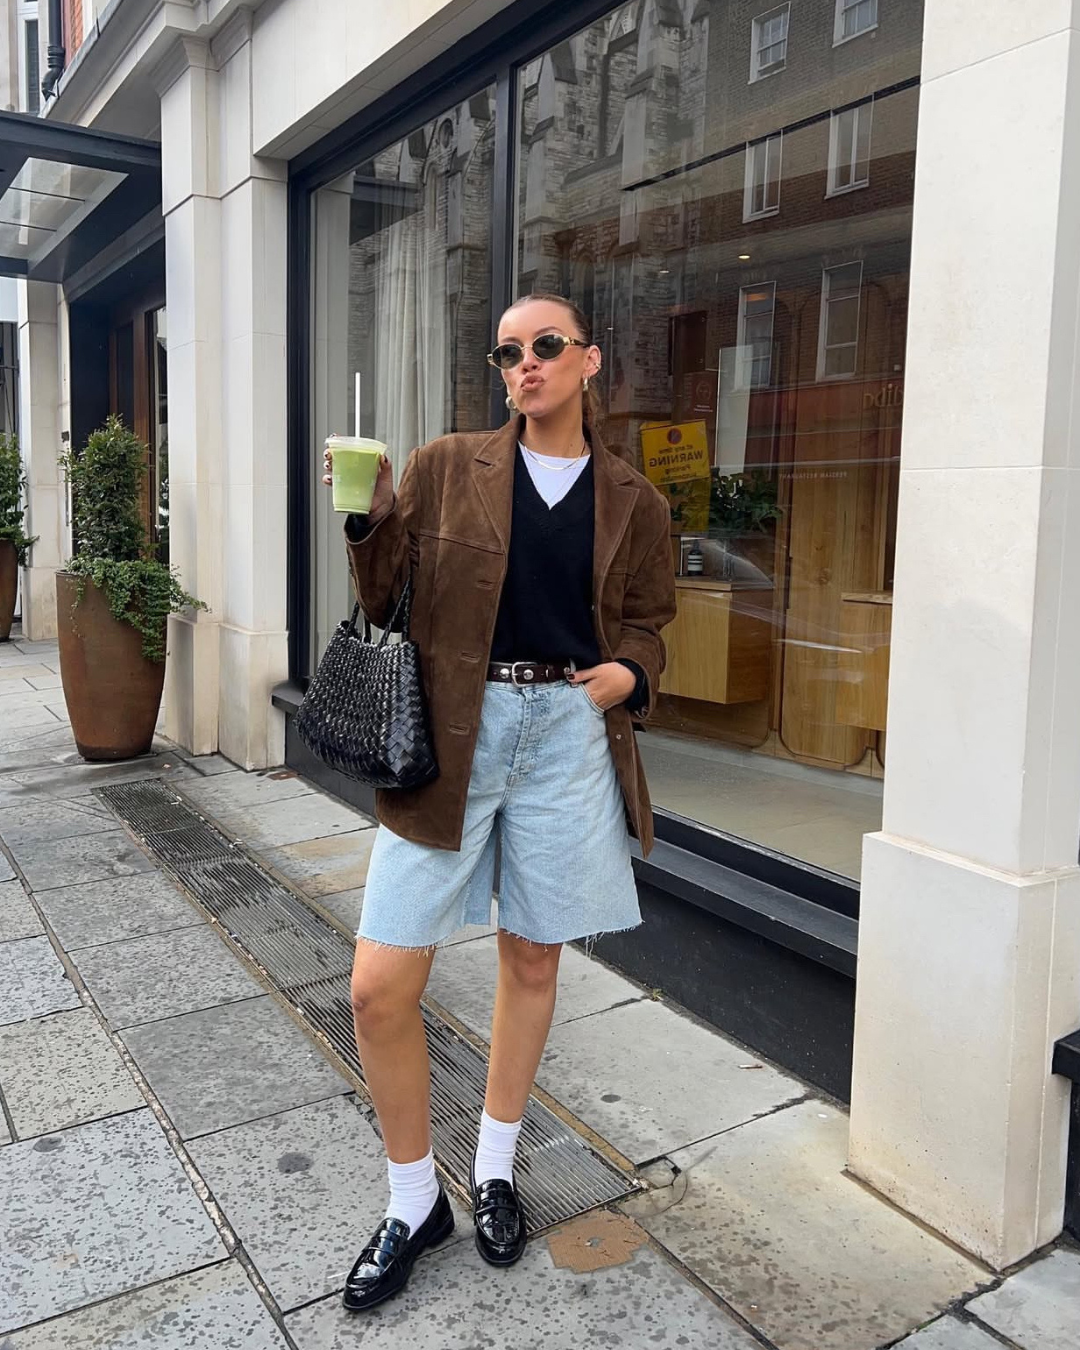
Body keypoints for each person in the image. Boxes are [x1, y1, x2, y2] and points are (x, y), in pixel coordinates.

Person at [320, 293, 676, 1311]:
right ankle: (408, 1200)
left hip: (568, 734)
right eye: (508, 351)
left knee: (531, 956)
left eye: (546, 347)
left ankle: (493, 1170)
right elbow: (383, 599)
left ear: (589, 361)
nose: (526, 364)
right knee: (378, 987)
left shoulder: (634, 500)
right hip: (456, 732)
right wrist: (369, 517)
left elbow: (651, 615)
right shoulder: (446, 467)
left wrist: (628, 677)